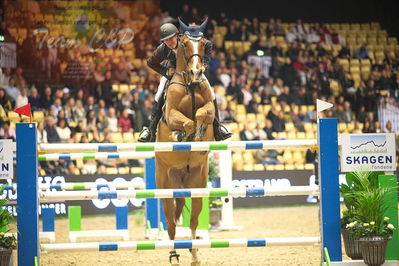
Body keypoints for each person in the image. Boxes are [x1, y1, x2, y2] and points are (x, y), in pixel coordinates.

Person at [138, 21, 232, 142]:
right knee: (159, 93)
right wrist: (166, 71)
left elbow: (206, 44)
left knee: (211, 93)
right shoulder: (162, 49)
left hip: (193, 72)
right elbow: (151, 63)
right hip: (174, 74)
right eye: (166, 40)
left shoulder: (187, 41)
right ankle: (151, 130)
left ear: (177, 36)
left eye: (171, 39)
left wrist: (204, 64)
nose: (169, 42)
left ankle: (218, 127)